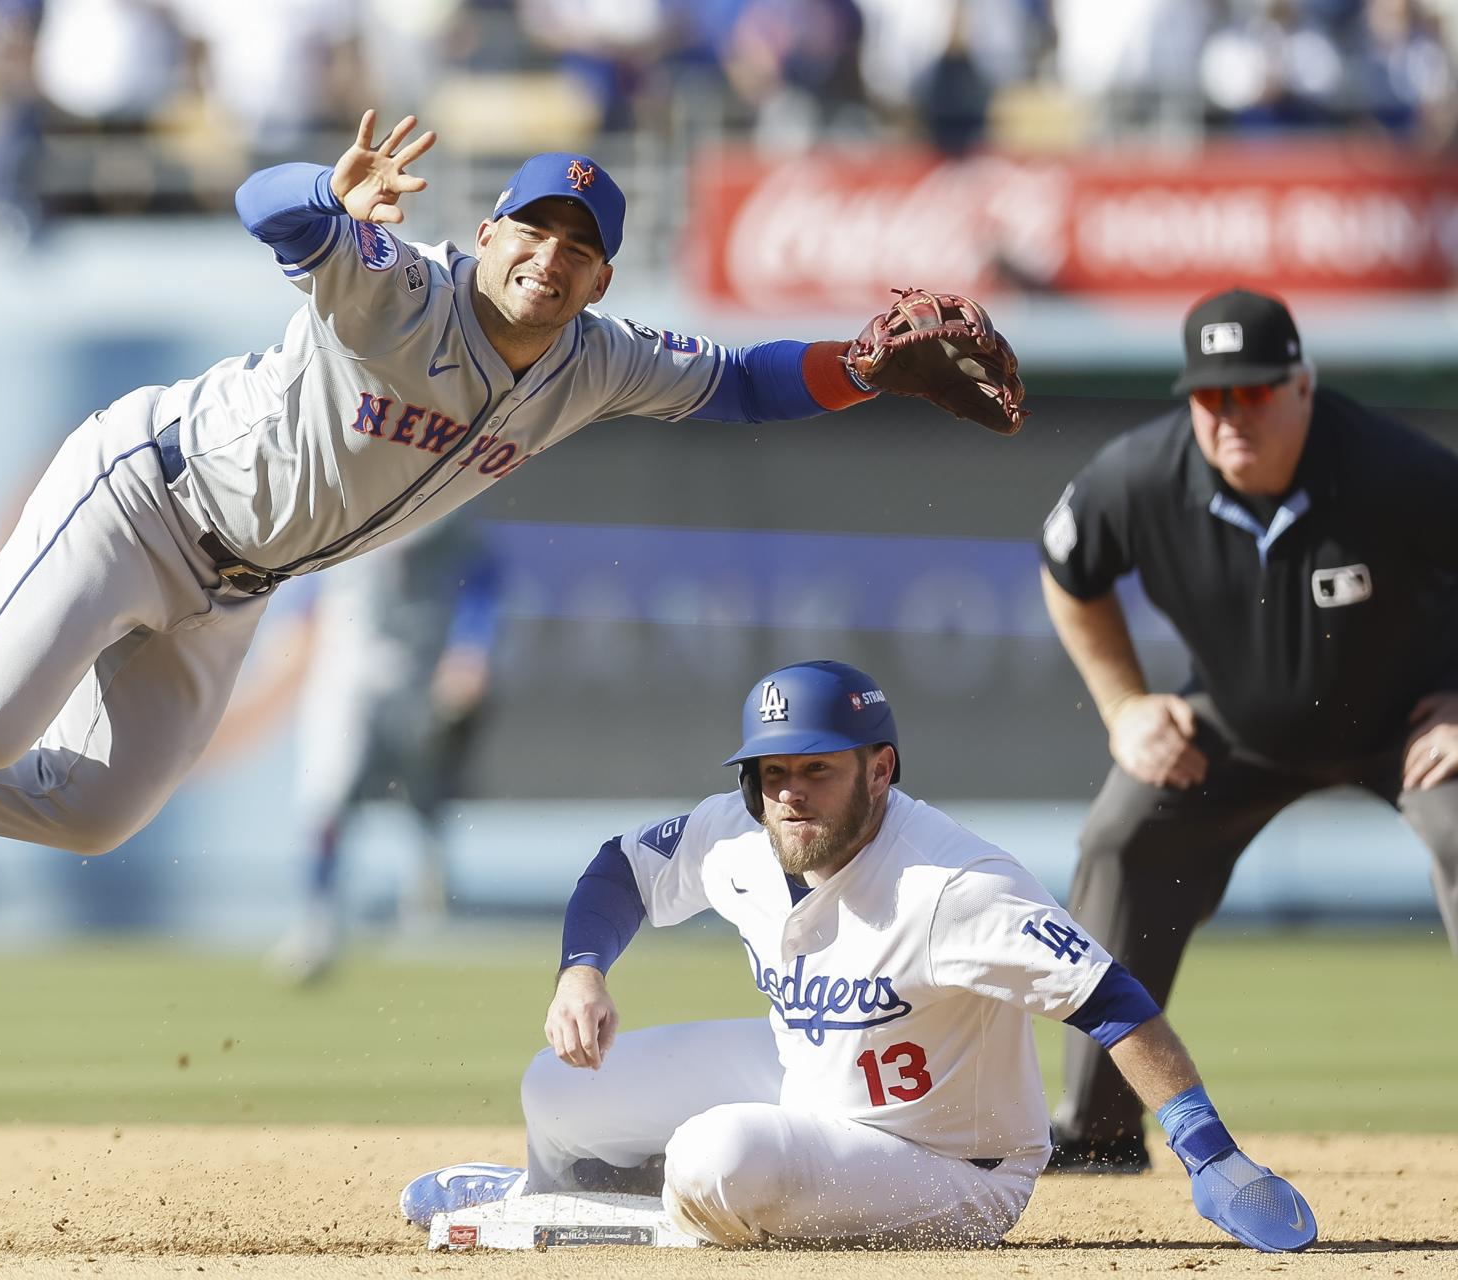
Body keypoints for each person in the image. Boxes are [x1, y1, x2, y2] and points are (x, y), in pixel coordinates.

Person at [0, 109, 1013, 890]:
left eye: (580, 246)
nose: (550, 254)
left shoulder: (598, 363)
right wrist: (324, 196)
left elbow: (750, 386)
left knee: (97, 810)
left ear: (600, 281)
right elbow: (263, 205)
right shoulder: (399, 282)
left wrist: (864, 369)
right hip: (146, 497)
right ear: (488, 235)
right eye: (531, 227)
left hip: (234, 589)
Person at [399, 660, 1317, 1252]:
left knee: (719, 1157)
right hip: (813, 1089)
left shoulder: (956, 885)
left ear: (881, 768)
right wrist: (581, 971)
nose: (789, 794)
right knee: (555, 1088)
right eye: (772, 771)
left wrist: (1214, 1156)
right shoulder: (740, 831)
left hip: (952, 1166)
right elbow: (622, 872)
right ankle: (553, 1189)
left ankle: (599, 1227)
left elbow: (1111, 1000)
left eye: (817, 768)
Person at [1037, 287, 1458, 1173]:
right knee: (1121, 835)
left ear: (1303, 384)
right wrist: (1125, 707)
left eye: (1255, 391)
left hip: (1407, 723)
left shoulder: (1394, 470)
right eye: (1211, 395)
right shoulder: (1141, 477)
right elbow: (1068, 570)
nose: (1231, 414)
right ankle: (1100, 1133)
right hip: (1236, 723)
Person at [267, 507, 501, 982]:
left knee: (424, 793)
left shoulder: (444, 495)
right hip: (346, 672)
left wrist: (471, 645)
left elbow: (484, 573)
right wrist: (297, 615)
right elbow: (310, 565)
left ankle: (427, 908)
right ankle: (316, 921)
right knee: (326, 794)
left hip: (420, 667)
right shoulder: (344, 489)